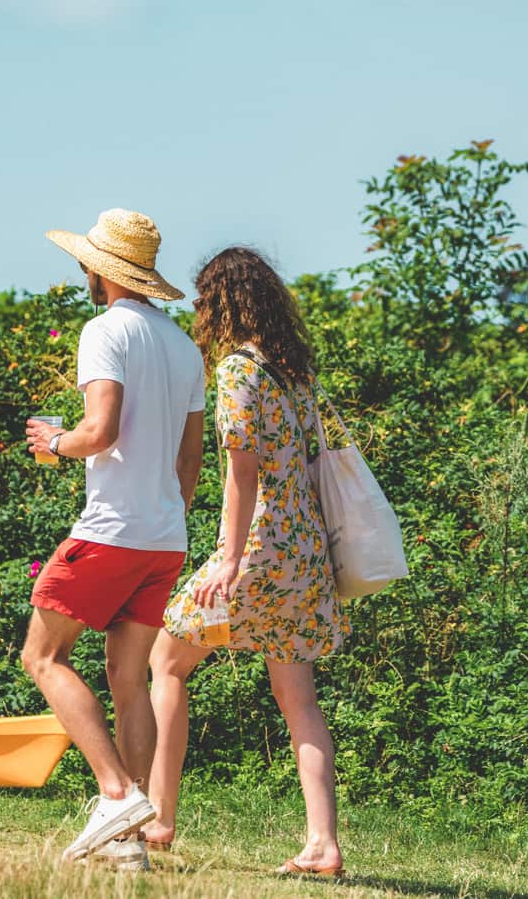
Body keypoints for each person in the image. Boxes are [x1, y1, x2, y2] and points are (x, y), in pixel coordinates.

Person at [143, 246, 349, 878]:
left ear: (221, 305)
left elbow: (241, 475)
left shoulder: (238, 371)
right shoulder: (294, 371)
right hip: (305, 549)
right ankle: (323, 844)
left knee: (165, 662)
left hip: (259, 549)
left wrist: (229, 560)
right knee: (299, 699)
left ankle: (159, 817)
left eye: (205, 302)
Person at [19, 208, 206, 869]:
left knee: (42, 658)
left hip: (112, 532)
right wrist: (165, 516)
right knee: (129, 679)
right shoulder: (185, 347)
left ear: (99, 270)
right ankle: (128, 847)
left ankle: (116, 792)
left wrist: (55, 442)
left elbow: (99, 431)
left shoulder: (104, 331)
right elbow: (190, 461)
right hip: (164, 537)